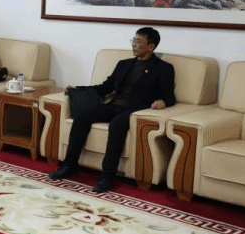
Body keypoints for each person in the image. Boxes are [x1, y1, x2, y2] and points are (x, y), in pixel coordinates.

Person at [49, 26, 175, 194]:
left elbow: (169, 96)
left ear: (151, 46)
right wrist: (77, 89)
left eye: (138, 42)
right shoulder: (124, 64)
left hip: (135, 111)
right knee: (82, 118)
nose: (133, 45)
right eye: (133, 40)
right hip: (114, 105)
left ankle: (106, 176)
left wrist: (162, 102)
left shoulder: (163, 68)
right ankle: (69, 165)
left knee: (116, 125)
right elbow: (105, 87)